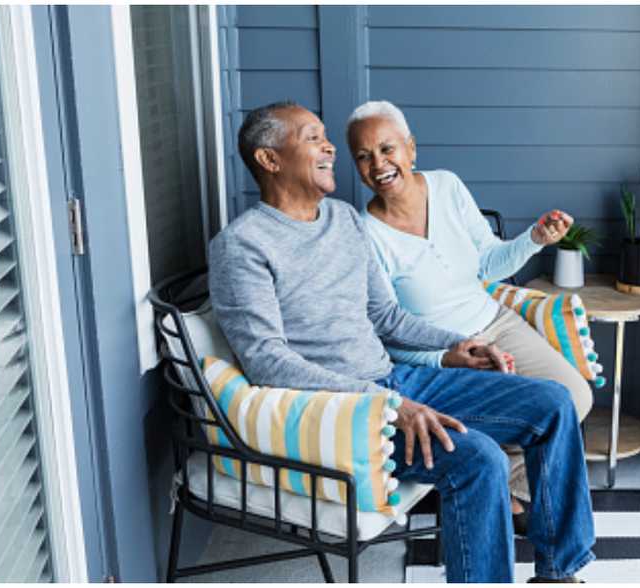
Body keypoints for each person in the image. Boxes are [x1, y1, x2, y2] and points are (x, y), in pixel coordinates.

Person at [208, 100, 595, 583]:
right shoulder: (242, 246)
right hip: (346, 412)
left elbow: (386, 316)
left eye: (326, 136)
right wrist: (386, 404)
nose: (330, 146)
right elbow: (267, 362)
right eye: (312, 137)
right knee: (479, 460)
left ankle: (559, 573)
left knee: (554, 402)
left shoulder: (344, 220)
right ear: (270, 160)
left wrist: (459, 344)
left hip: (396, 381)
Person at [345, 100, 593, 520]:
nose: (379, 164)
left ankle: (502, 479)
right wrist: (448, 355)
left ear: (411, 148)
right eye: (364, 156)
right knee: (530, 415)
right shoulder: (363, 232)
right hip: (441, 358)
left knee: (576, 398)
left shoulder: (446, 186)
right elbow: (385, 332)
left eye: (388, 149)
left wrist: (534, 238)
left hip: (494, 321)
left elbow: (488, 264)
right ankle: (506, 495)